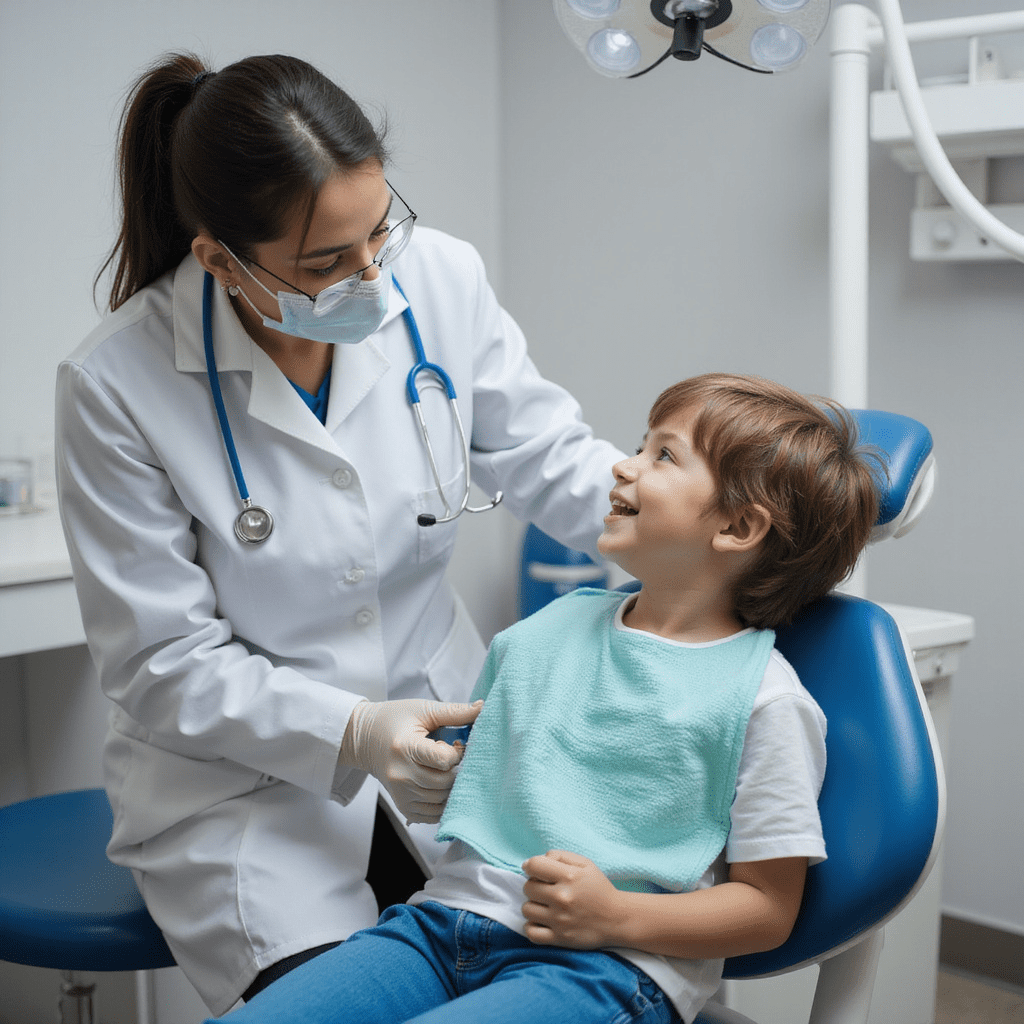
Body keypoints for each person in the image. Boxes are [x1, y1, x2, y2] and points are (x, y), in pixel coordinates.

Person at [55, 51, 623, 1014]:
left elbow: (547, 454)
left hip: (450, 740)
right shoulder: (116, 384)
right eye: (327, 262)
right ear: (220, 259)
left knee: (540, 979)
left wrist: (721, 534)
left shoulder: (437, 275)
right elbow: (162, 665)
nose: (375, 276)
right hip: (247, 797)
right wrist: (353, 730)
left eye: (381, 231)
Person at [200, 373, 882, 1024]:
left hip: (606, 965)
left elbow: (767, 909)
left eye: (664, 456)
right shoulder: (542, 635)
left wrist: (619, 916)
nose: (623, 465)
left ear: (738, 529)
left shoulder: (762, 701)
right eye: (640, 444)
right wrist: (443, 778)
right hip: (437, 928)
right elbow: (502, 784)